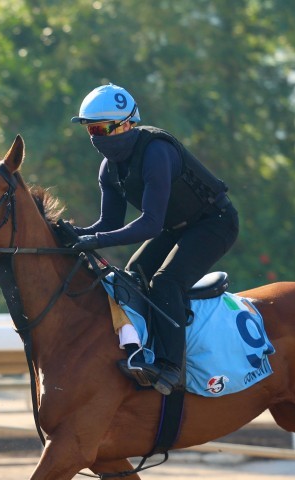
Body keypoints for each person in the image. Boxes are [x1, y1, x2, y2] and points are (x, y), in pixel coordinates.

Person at [69, 83, 239, 395]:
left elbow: (149, 224)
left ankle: (172, 368)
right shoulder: (109, 169)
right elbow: (108, 223)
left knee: (165, 281)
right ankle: (143, 350)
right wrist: (72, 233)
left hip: (215, 223)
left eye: (103, 129)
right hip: (177, 226)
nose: (96, 138)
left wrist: (95, 240)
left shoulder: (156, 152)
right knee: (134, 275)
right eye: (91, 129)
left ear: (127, 124)